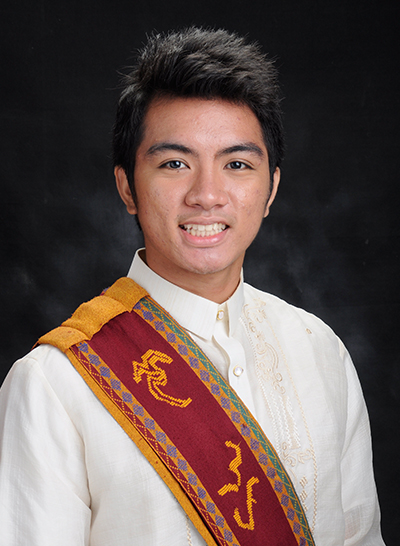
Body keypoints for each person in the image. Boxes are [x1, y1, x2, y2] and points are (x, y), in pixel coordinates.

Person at [0, 27, 384, 546]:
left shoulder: (321, 352)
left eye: (237, 164)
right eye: (175, 164)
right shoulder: (53, 385)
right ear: (127, 187)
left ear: (271, 188)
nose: (207, 194)